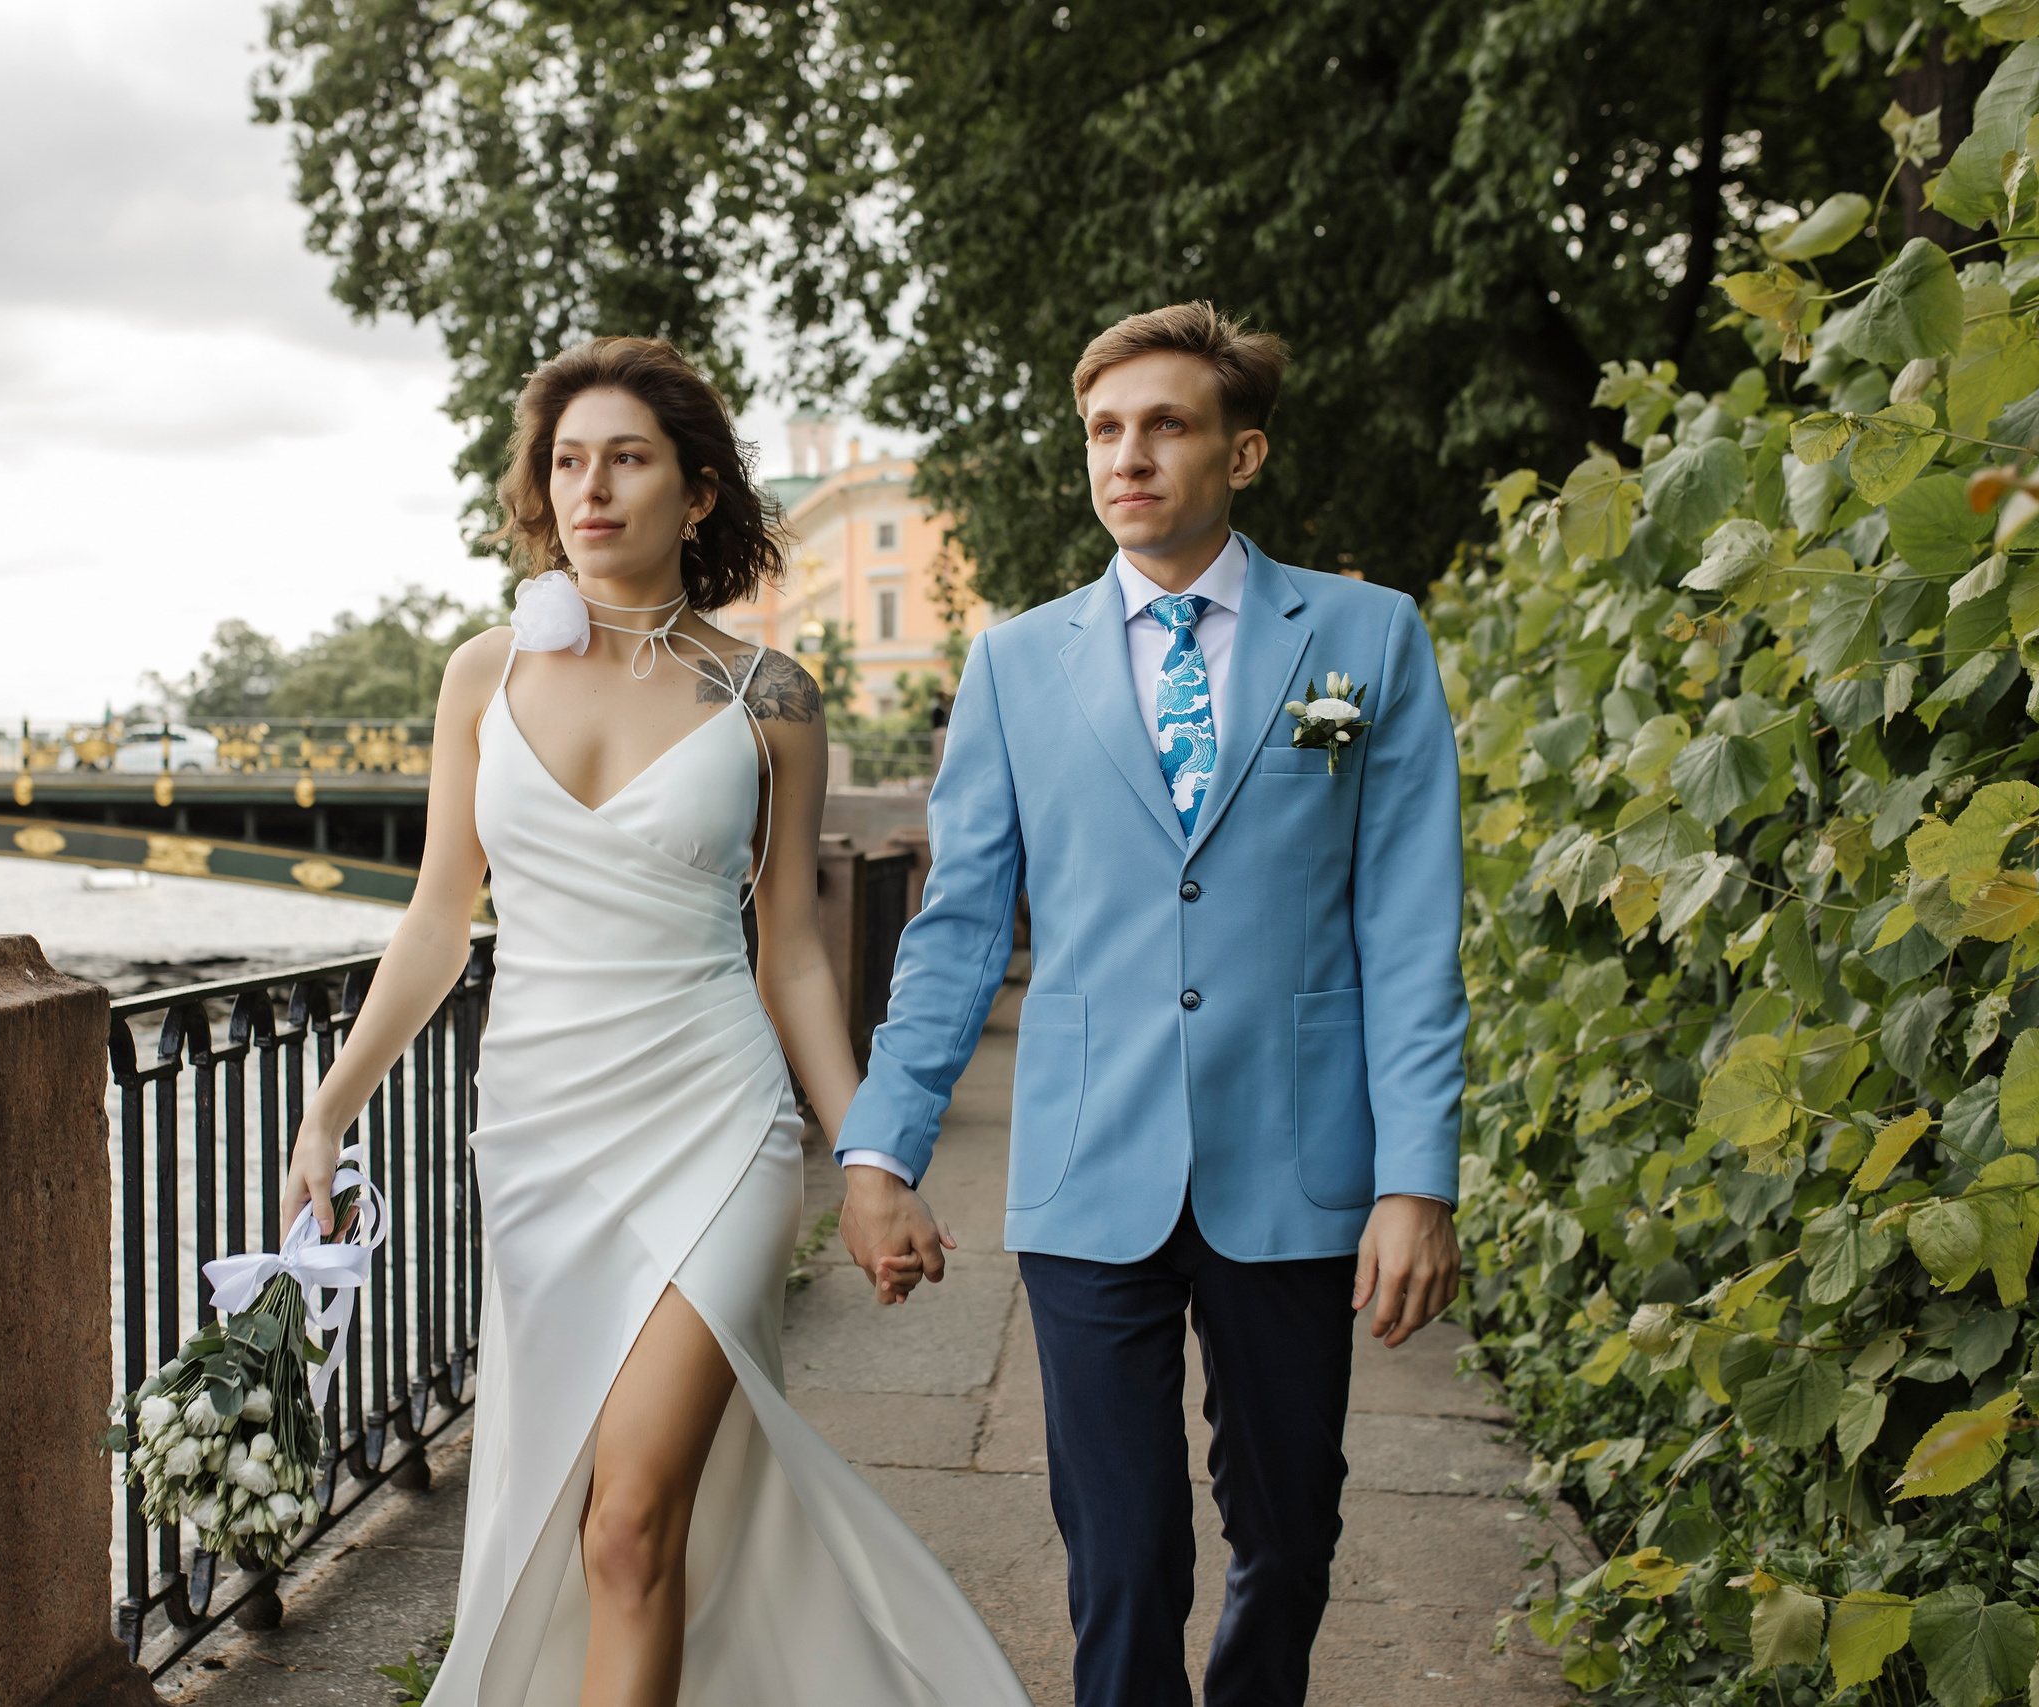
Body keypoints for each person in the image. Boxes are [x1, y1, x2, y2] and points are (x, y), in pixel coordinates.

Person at [280, 336, 1031, 1707]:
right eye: (567, 462)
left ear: (696, 493)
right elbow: (442, 920)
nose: (591, 488)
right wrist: (332, 1107)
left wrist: (872, 1162)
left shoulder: (771, 697)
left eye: (627, 458)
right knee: (579, 1518)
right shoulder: (479, 674)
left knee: (630, 1523)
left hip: (715, 1119)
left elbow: (793, 958)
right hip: (540, 1133)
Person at [836, 302, 1468, 1707]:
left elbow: (1412, 927)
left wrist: (1417, 1180)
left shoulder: (1367, 639)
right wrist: (884, 1152)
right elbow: (953, 931)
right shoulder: (1015, 663)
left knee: (1292, 1535)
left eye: (1167, 425)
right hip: (1087, 1158)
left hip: (1298, 1160)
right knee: (1121, 1562)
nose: (1130, 456)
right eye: (1106, 431)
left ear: (1241, 454)